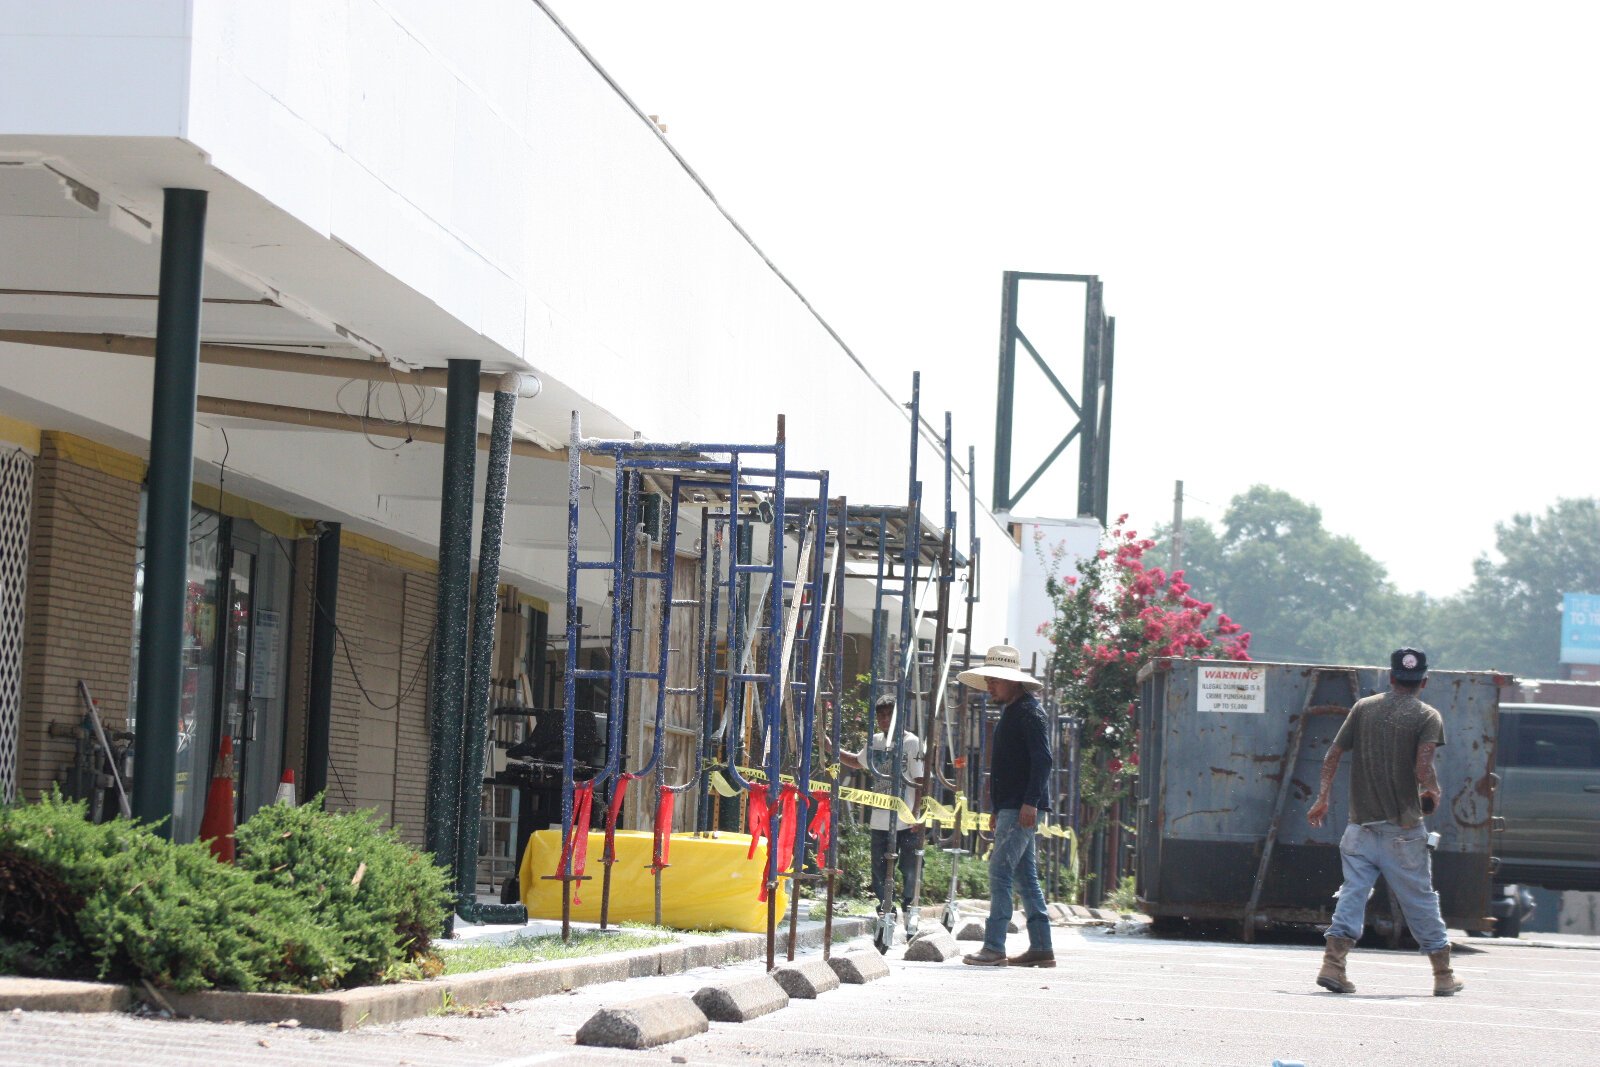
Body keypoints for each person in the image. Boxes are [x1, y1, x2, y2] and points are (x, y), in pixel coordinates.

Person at [1307, 647, 1464, 997]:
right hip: (1403, 832)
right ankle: (1442, 974)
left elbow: (1332, 755)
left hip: (1359, 828)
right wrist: (1433, 791)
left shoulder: (1363, 708)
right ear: (1423, 681)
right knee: (1419, 899)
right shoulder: (1427, 715)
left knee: (1353, 893)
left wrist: (1322, 797)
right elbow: (1423, 769)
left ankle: (1333, 965)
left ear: (1390, 678)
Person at [955, 644, 1055, 968]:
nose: (989, 686)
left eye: (995, 680)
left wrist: (1030, 803)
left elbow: (1043, 761)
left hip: (1022, 807)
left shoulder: (1029, 712)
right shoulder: (1013, 711)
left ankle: (994, 946)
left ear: (1012, 680)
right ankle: (1041, 947)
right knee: (1026, 877)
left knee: (1000, 870)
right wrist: (998, 809)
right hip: (1011, 808)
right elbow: (1010, 767)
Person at [831, 693, 924, 927]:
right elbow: (857, 761)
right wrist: (831, 748)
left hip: (907, 821)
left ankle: (911, 908)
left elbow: (921, 780)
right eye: (881, 716)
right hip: (880, 821)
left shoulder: (911, 743)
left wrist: (917, 814)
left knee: (910, 869)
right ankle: (886, 911)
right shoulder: (875, 742)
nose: (884, 720)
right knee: (879, 872)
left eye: (889, 715)